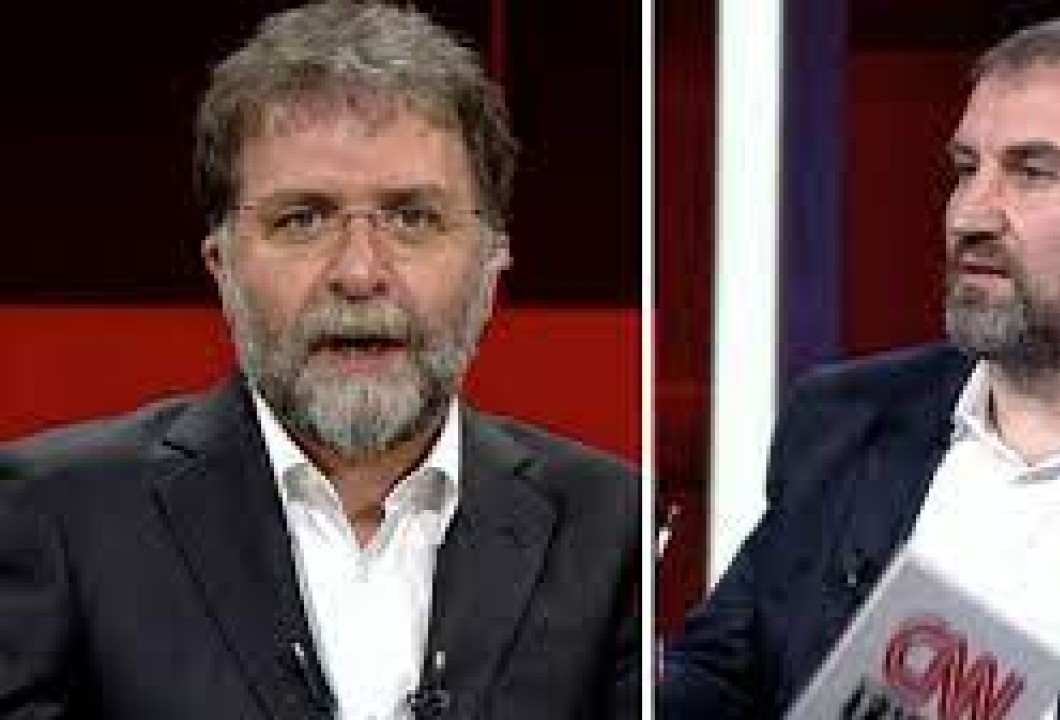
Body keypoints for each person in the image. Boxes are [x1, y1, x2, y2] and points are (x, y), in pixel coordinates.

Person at [0, 3, 638, 719]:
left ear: (491, 265)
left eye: (412, 218)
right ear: (222, 266)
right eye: (302, 219)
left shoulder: (614, 528)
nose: (359, 273)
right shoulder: (53, 515)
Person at [661, 13, 1060, 719]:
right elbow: (718, 682)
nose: (970, 216)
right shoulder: (844, 422)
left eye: (1032, 173)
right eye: (966, 170)